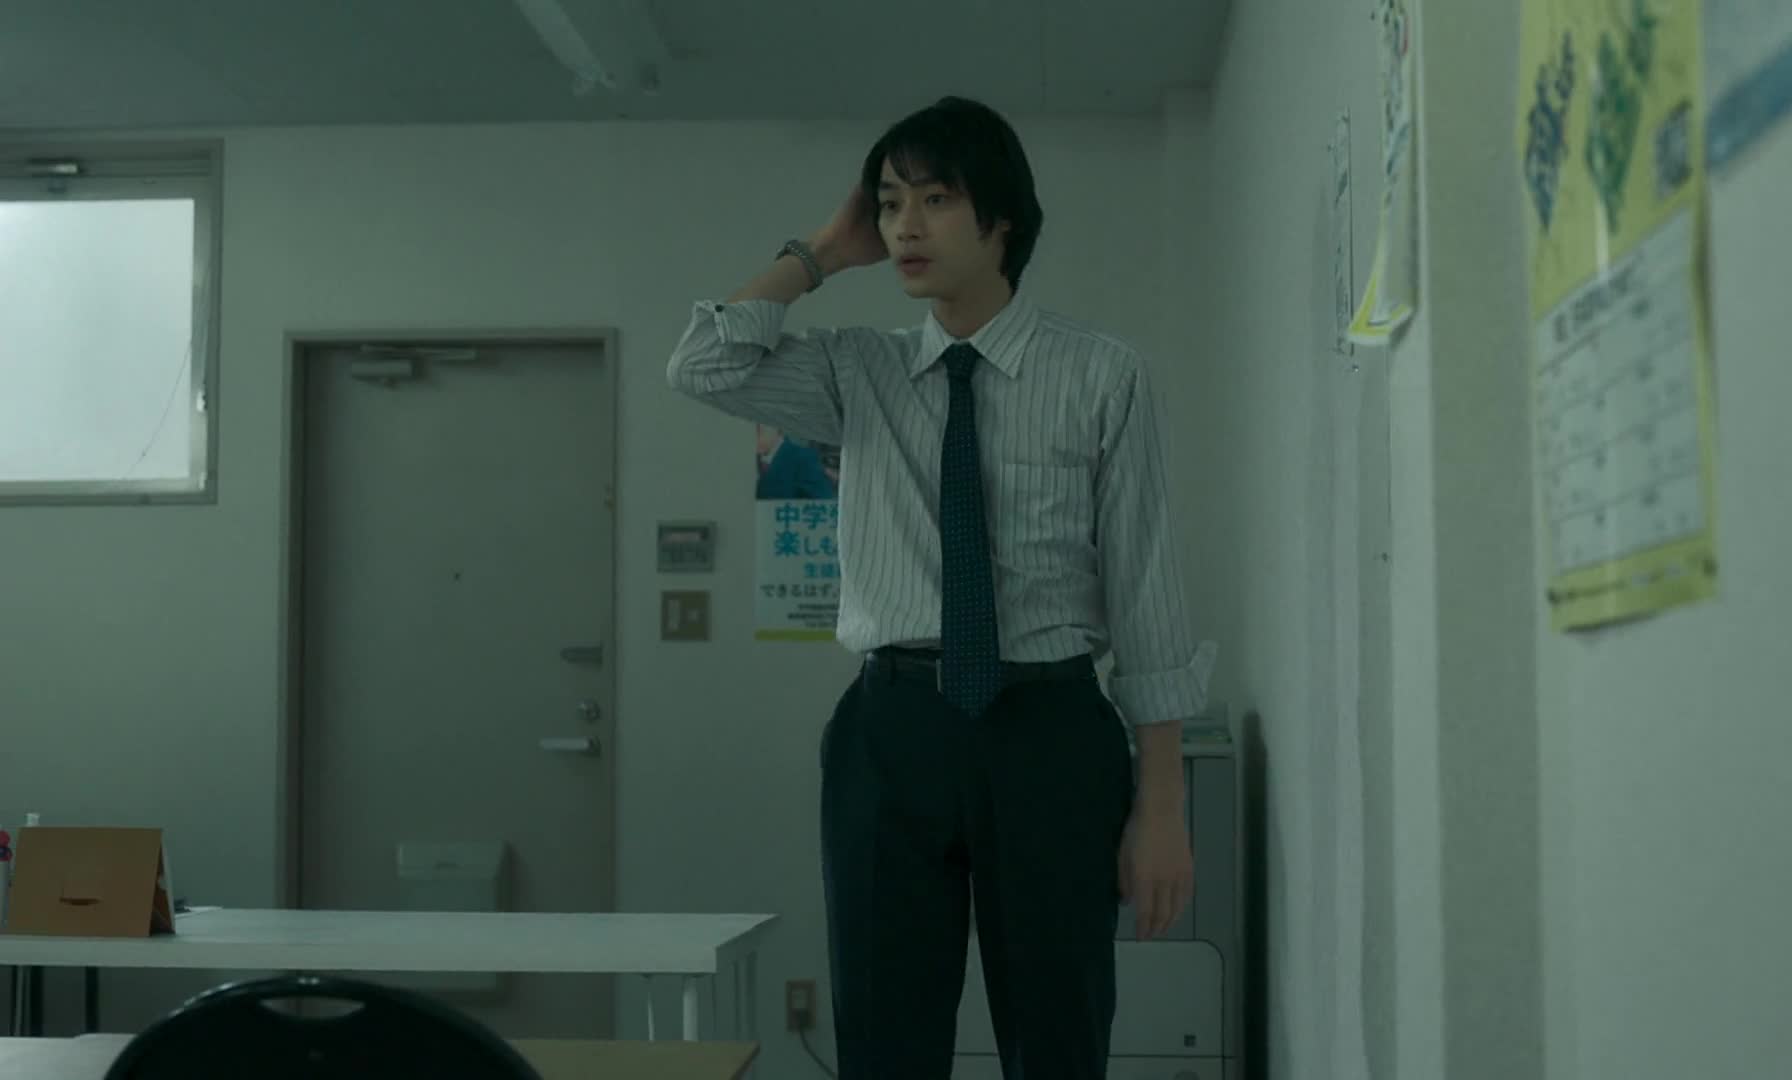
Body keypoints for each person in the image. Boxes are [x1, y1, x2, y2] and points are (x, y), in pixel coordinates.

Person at [667, 95, 1212, 1079]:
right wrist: (818, 254)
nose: (904, 226)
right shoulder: (856, 372)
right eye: (887, 203)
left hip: (1049, 731)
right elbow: (702, 364)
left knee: (1060, 1039)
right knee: (885, 1042)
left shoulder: (1103, 377)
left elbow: (1147, 591)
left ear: (1000, 218)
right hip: (893, 730)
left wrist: (1163, 806)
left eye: (935, 198)